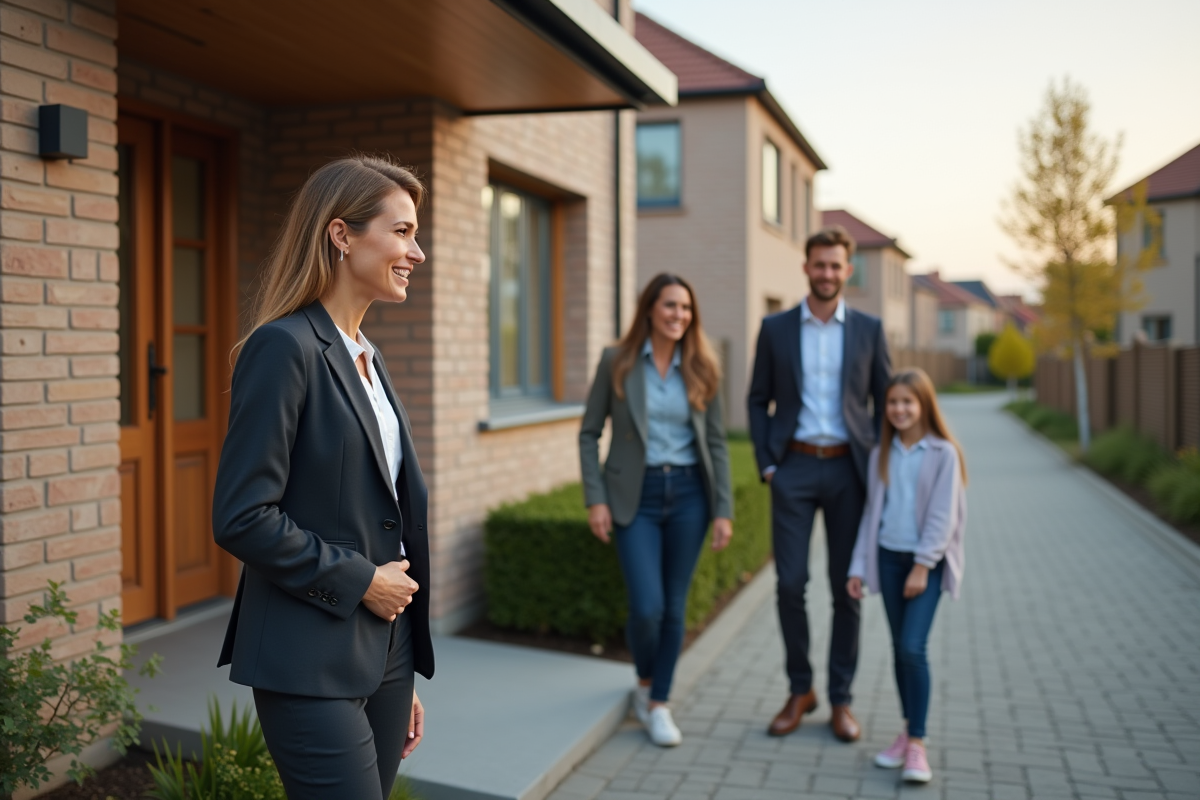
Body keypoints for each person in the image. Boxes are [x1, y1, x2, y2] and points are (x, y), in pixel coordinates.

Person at [212, 155, 433, 800]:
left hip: (385, 648)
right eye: (401, 232)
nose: (415, 252)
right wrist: (361, 580)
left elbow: (382, 510)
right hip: (307, 652)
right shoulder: (284, 348)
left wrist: (402, 669)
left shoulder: (366, 355)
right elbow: (243, 516)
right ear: (341, 234)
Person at [747, 225, 891, 742]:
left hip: (850, 473)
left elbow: (886, 406)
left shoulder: (871, 331)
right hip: (795, 469)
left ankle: (841, 700)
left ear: (847, 270)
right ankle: (799, 689)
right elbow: (756, 399)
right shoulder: (776, 328)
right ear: (805, 267)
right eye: (819, 264)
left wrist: (877, 465)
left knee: (846, 589)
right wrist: (769, 465)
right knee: (789, 584)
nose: (827, 273)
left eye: (836, 265)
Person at [579, 273, 734, 747]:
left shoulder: (704, 366)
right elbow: (589, 433)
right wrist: (596, 497)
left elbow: (716, 442)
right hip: (636, 498)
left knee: (673, 607)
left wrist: (723, 508)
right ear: (650, 309)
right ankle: (646, 681)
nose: (678, 316)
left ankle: (659, 702)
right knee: (647, 607)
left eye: (685, 309)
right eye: (669, 306)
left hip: (689, 494)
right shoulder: (618, 363)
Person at [847, 368, 967, 784]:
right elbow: (870, 515)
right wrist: (859, 567)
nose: (899, 409)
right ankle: (907, 729)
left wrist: (921, 566)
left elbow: (942, 518)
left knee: (914, 648)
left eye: (907, 402)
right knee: (900, 649)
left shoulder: (942, 454)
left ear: (924, 405)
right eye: (893, 402)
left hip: (925, 566)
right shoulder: (881, 453)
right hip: (887, 557)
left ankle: (917, 743)